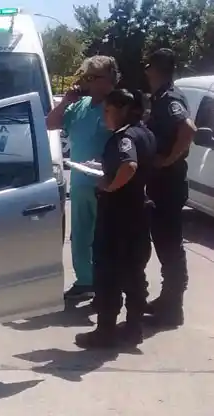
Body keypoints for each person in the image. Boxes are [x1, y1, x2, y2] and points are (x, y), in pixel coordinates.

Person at [75, 89, 156, 349]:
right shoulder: (146, 133)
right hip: (138, 212)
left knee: (108, 273)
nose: (105, 116)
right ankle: (134, 328)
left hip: (117, 216)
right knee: (135, 273)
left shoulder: (125, 136)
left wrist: (109, 185)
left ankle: (105, 332)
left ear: (122, 110)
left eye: (108, 111)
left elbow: (129, 165)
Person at [47, 55, 119, 302]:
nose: (86, 82)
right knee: (80, 235)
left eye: (92, 77)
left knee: (105, 239)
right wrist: (65, 101)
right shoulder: (80, 105)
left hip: (106, 184)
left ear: (108, 79)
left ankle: (107, 285)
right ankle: (85, 281)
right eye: (85, 77)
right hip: (80, 183)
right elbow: (50, 123)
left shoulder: (115, 106)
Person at [143, 48, 197, 327]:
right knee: (165, 244)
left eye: (148, 66)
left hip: (169, 183)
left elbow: (188, 129)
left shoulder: (170, 98)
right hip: (162, 184)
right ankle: (167, 299)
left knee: (170, 245)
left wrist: (168, 159)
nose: (146, 71)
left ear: (156, 68)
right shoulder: (160, 97)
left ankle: (173, 307)